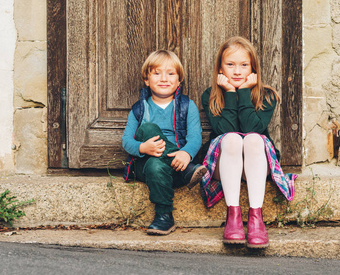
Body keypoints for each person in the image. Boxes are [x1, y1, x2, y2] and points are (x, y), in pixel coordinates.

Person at [200, 36, 297, 248]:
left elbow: (252, 128)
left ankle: (256, 219)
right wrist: (230, 93)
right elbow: (224, 130)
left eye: (244, 65)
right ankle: (233, 218)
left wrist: (243, 92)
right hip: (224, 164)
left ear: (253, 68)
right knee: (232, 139)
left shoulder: (266, 96)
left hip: (255, 165)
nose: (236, 71)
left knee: (253, 139)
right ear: (220, 68)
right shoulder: (210, 95)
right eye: (230, 65)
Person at [122, 50, 206, 235]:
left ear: (178, 82)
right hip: (146, 166)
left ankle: (163, 217)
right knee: (150, 131)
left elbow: (195, 137)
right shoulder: (139, 108)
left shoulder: (187, 105)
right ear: (146, 79)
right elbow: (126, 141)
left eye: (170, 73)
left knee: (156, 164)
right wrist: (142, 147)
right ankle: (186, 177)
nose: (164, 78)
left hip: (177, 166)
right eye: (156, 73)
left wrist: (186, 153)